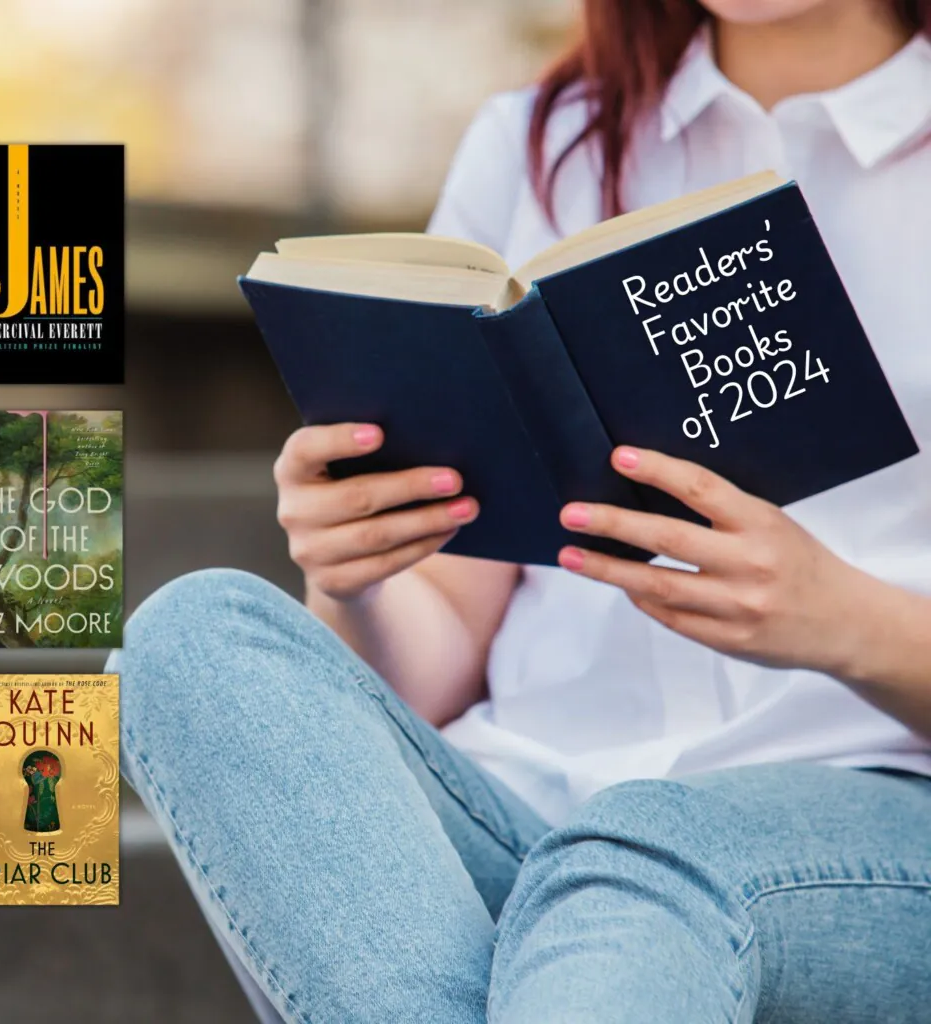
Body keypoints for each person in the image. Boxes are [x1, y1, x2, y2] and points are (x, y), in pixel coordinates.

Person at [110, 1, 931, 1020]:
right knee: (186, 639)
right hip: (520, 807)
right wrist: (353, 571)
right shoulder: (543, 143)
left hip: (867, 831)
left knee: (646, 852)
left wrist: (846, 620)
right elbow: (445, 641)